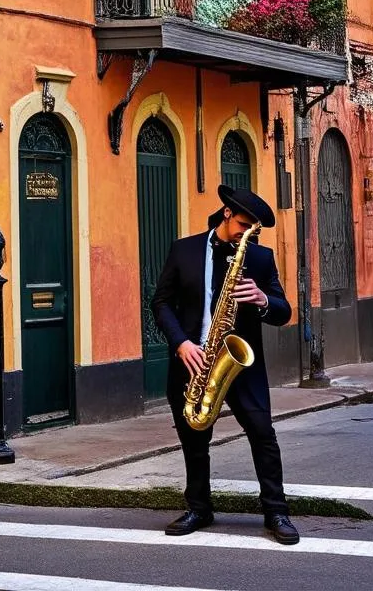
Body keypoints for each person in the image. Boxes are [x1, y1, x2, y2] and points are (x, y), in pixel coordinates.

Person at [151, 184, 299, 544]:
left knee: (263, 435)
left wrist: (264, 299)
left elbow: (283, 311)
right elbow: (160, 303)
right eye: (244, 224)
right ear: (227, 213)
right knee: (194, 438)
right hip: (193, 360)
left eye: (255, 229)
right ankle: (199, 507)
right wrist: (181, 343)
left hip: (239, 363)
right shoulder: (183, 250)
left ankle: (276, 511)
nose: (248, 233)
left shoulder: (260, 259)